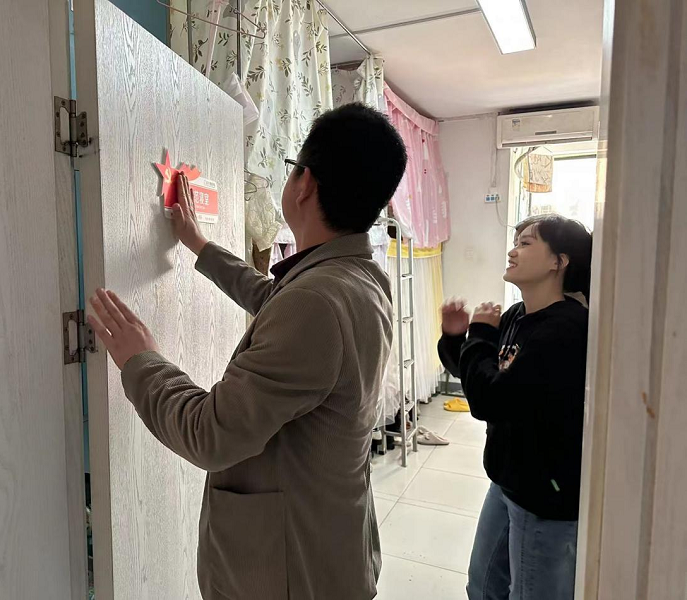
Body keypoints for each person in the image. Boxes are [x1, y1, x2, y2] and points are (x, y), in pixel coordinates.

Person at [87, 103, 408, 600]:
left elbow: (209, 434)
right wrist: (200, 245)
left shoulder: (316, 302)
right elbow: (274, 298)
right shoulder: (355, 279)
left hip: (292, 572)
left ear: (304, 183)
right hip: (326, 546)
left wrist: (141, 362)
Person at [438, 214, 592, 600]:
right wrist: (456, 339)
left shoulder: (566, 328)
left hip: (545, 496)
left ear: (559, 261)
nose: (512, 251)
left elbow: (491, 401)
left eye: (525, 243)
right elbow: (478, 378)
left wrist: (479, 334)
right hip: (508, 480)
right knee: (483, 585)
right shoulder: (515, 316)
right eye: (515, 242)